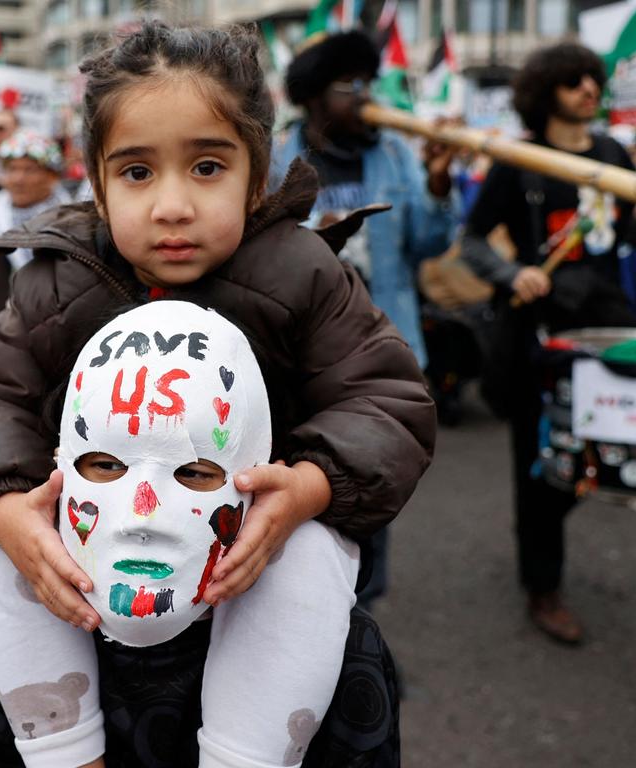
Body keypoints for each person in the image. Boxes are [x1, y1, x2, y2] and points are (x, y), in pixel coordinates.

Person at [0, 22, 435, 767]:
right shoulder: (54, 281)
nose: (172, 205)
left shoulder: (304, 274)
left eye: (206, 166)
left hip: (242, 547)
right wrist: (7, 510)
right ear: (98, 185)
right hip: (95, 547)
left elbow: (387, 400)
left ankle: (246, 754)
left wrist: (305, 490)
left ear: (256, 177)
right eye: (137, 172)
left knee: (308, 556)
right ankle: (66, 750)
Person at [270, 29, 458, 608]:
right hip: (295, 358)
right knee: (297, 485)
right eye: (352, 86)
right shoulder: (276, 161)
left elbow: (425, 244)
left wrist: (437, 183)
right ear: (316, 98)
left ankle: (361, 622)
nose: (367, 97)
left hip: (380, 354)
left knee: (369, 479)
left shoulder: (395, 154)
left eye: (369, 84)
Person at [460, 43, 636, 646]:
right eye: (572, 81)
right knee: (542, 469)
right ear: (546, 91)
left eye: (593, 79)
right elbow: (472, 241)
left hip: (609, 332)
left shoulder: (614, 154)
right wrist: (513, 275)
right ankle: (543, 585)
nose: (589, 88)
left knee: (611, 451)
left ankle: (544, 546)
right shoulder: (519, 161)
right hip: (541, 340)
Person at [0, 129, 73, 338]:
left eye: (29, 169)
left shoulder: (69, 223)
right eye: (11, 169)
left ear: (52, 175)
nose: (18, 179)